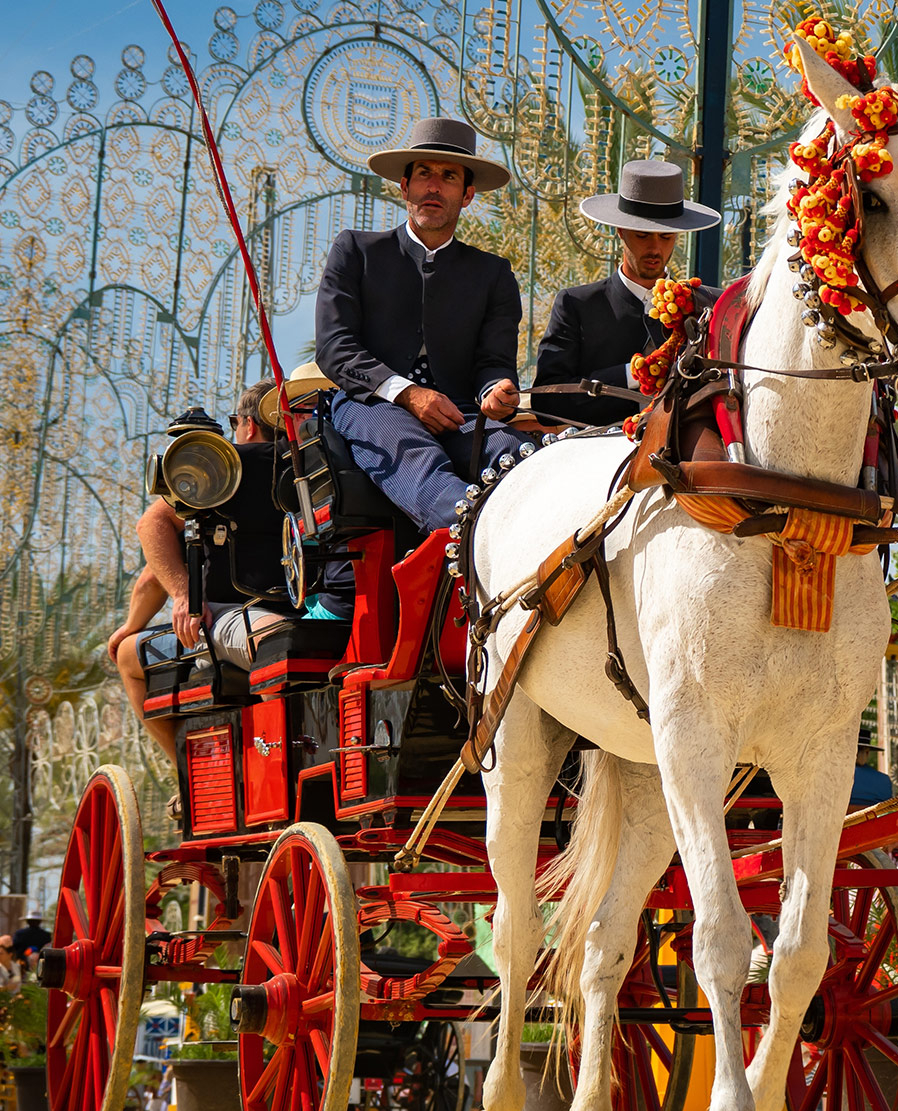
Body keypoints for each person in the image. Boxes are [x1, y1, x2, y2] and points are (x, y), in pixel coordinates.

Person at [316, 117, 531, 532]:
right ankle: (470, 528)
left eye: (449, 177)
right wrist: (408, 394)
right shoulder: (356, 250)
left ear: (467, 195)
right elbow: (335, 347)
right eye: (424, 174)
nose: (434, 186)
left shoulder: (492, 274)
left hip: (460, 412)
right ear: (405, 187)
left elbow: (494, 362)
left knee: (518, 455)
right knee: (418, 460)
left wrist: (496, 390)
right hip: (369, 403)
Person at [111, 384, 281, 758]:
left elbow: (151, 536)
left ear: (249, 424)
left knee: (126, 655)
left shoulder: (224, 470)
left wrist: (176, 598)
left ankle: (182, 773)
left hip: (242, 618)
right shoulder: (312, 464)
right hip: (314, 613)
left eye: (235, 424)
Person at [531, 161, 721, 427]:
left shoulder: (704, 307)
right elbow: (547, 401)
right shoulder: (576, 304)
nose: (655, 248)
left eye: (666, 237)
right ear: (620, 231)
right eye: (642, 235)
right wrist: (633, 374)